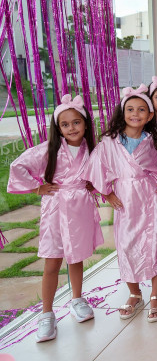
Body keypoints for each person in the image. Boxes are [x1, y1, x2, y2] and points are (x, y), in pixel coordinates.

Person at [8, 94, 103, 342]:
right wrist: (36, 187)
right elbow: (18, 166)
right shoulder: (50, 149)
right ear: (58, 128)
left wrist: (91, 185)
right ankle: (46, 314)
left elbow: (99, 172)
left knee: (76, 257)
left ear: (86, 124)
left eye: (76, 122)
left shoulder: (91, 150)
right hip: (56, 209)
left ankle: (77, 299)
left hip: (79, 209)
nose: (71, 128)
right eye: (65, 124)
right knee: (52, 261)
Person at [83, 84, 157, 322]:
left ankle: (155, 295)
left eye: (141, 110)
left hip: (151, 198)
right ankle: (134, 293)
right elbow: (94, 169)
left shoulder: (153, 141)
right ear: (122, 113)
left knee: (156, 241)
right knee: (127, 244)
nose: (135, 114)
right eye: (130, 109)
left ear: (150, 115)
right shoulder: (109, 142)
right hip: (125, 199)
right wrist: (107, 193)